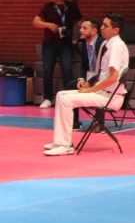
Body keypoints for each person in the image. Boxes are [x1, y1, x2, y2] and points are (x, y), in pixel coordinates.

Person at [42, 13, 129, 156]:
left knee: (65, 99)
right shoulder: (109, 44)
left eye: (105, 26)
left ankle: (66, 145)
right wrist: (89, 86)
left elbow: (113, 78)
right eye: (102, 24)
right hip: (103, 92)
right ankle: (60, 141)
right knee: (60, 95)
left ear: (116, 30)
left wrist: (91, 90)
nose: (102, 28)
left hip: (111, 97)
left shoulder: (116, 46)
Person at [32, 0, 83, 109]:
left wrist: (85, 30)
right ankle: (48, 98)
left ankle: (67, 97)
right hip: (49, 43)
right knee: (48, 69)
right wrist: (48, 25)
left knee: (67, 69)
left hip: (66, 43)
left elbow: (79, 21)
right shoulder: (48, 7)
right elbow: (35, 22)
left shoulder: (71, 6)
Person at [69, 19, 106, 130]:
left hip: (101, 77)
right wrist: (81, 78)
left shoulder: (102, 44)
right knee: (70, 85)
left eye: (85, 28)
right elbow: (84, 66)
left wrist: (90, 82)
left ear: (94, 31)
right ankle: (75, 123)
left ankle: (99, 124)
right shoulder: (84, 44)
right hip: (89, 75)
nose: (81, 30)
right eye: (81, 28)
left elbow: (102, 69)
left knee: (100, 88)